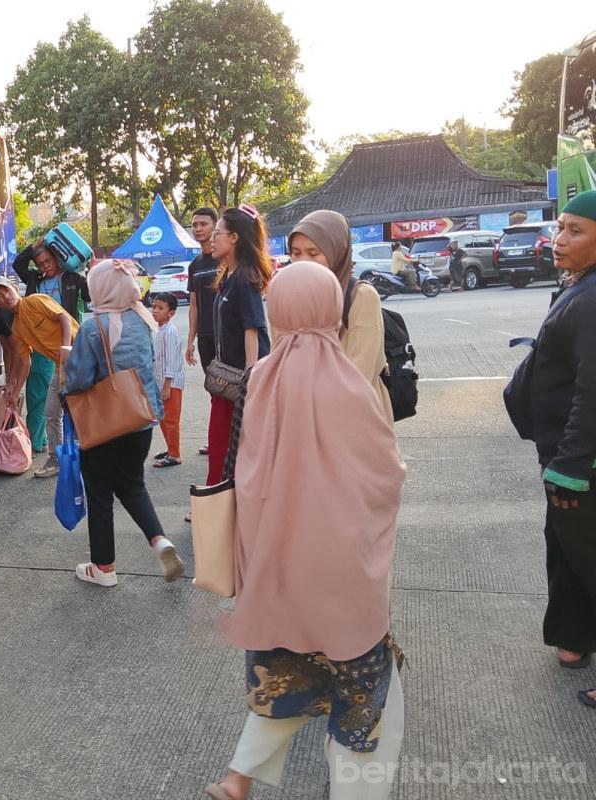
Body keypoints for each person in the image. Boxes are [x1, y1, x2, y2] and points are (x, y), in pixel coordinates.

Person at [205, 262, 407, 800]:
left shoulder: (260, 377)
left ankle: (238, 778)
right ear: (331, 310)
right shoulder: (348, 381)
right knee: (362, 701)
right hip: (344, 572)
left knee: (281, 681)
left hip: (276, 564)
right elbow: (385, 473)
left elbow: (241, 467)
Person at [62, 260, 184, 587]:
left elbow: (79, 379)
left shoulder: (93, 328)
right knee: (132, 484)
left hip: (105, 422)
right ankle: (159, 539)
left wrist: (65, 376)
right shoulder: (141, 319)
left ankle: (103, 568)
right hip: (140, 417)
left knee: (100, 494)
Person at [519, 191, 596, 708]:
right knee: (566, 550)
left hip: (579, 463)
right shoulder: (579, 286)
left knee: (587, 557)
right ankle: (574, 639)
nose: (559, 239)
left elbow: (592, 390)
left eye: (575, 230)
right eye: (560, 227)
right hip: (563, 454)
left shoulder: (592, 300)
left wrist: (569, 467)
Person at [288, 210, 394, 425]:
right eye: (296, 253)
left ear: (337, 251)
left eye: (313, 253)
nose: (303, 261)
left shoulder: (361, 296)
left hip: (355, 418)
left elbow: (360, 373)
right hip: (306, 417)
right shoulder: (292, 295)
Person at [206, 205, 272, 485]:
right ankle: (220, 498)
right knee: (220, 447)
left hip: (241, 384)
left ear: (234, 238)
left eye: (217, 233)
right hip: (227, 381)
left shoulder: (244, 278)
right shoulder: (228, 276)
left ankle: (222, 500)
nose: (211, 239)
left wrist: (249, 380)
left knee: (230, 449)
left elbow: (252, 330)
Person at [0, 277, 77, 478]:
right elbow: (25, 361)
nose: (5, 297)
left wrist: (65, 349)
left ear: (15, 288)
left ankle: (94, 454)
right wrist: (14, 391)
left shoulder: (35, 300)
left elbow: (63, 318)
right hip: (60, 367)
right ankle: (57, 459)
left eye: (6, 291)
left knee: (81, 411)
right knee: (51, 412)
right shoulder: (17, 328)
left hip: (78, 355)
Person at [12, 240, 91, 454]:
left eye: (48, 261)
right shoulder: (34, 279)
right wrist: (34, 246)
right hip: (43, 345)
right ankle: (42, 443)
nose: (45, 266)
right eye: (40, 263)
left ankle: (81, 444)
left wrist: (90, 269)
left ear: (56, 259)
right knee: (40, 396)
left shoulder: (73, 278)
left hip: (69, 345)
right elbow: (18, 264)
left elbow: (91, 296)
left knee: (71, 399)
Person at [186, 207, 220, 457]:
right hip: (205, 337)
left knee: (232, 388)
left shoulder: (225, 259)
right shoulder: (195, 265)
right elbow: (194, 305)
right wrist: (190, 340)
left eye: (203, 224)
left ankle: (235, 438)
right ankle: (217, 437)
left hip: (226, 336)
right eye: (195, 225)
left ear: (215, 226)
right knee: (213, 389)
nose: (198, 229)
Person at [150, 292, 186, 467]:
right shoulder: (159, 330)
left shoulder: (170, 332)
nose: (155, 311)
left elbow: (171, 361)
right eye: (154, 307)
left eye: (160, 308)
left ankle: (175, 454)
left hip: (171, 383)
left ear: (171, 313)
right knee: (163, 418)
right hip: (160, 382)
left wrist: (166, 385)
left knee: (171, 419)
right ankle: (170, 448)